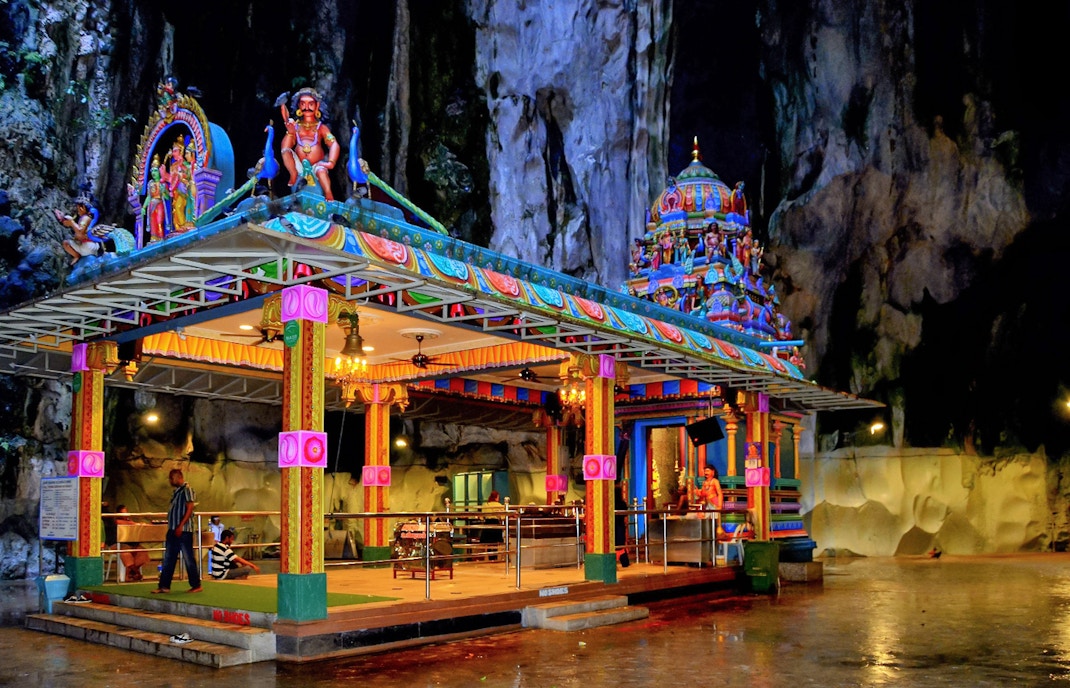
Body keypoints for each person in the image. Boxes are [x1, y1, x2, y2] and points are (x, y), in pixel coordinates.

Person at [278, 87, 340, 200]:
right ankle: (293, 175)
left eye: (311, 104)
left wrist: (331, 162)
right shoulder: (295, 126)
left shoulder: (321, 128)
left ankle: (328, 194)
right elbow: (285, 147)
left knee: (321, 172)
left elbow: (334, 144)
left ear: (317, 106)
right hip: (299, 167)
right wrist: (291, 133)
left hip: (316, 165)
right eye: (303, 104)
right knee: (286, 152)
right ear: (298, 107)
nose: (307, 107)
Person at [152, 468, 202, 594]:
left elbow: (189, 508)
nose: (170, 481)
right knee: (169, 558)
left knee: (188, 557)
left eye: (171, 478)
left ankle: (196, 584)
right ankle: (164, 585)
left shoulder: (187, 490)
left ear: (178, 477)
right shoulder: (176, 492)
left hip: (183, 530)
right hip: (173, 528)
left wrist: (181, 525)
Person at [54, 196, 101, 266]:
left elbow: (80, 231)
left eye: (78, 208)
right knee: (70, 241)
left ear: (83, 208)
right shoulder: (84, 218)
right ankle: (77, 256)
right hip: (87, 246)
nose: (77, 210)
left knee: (65, 243)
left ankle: (76, 256)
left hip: (88, 246)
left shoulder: (86, 218)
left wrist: (72, 223)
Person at [115, 505, 151, 582]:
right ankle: (137, 573)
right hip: (120, 545)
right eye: (122, 513)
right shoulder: (116, 521)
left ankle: (132, 572)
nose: (125, 515)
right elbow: (118, 522)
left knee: (143, 552)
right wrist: (133, 523)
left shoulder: (131, 522)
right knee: (126, 553)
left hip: (133, 545)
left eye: (126, 513)